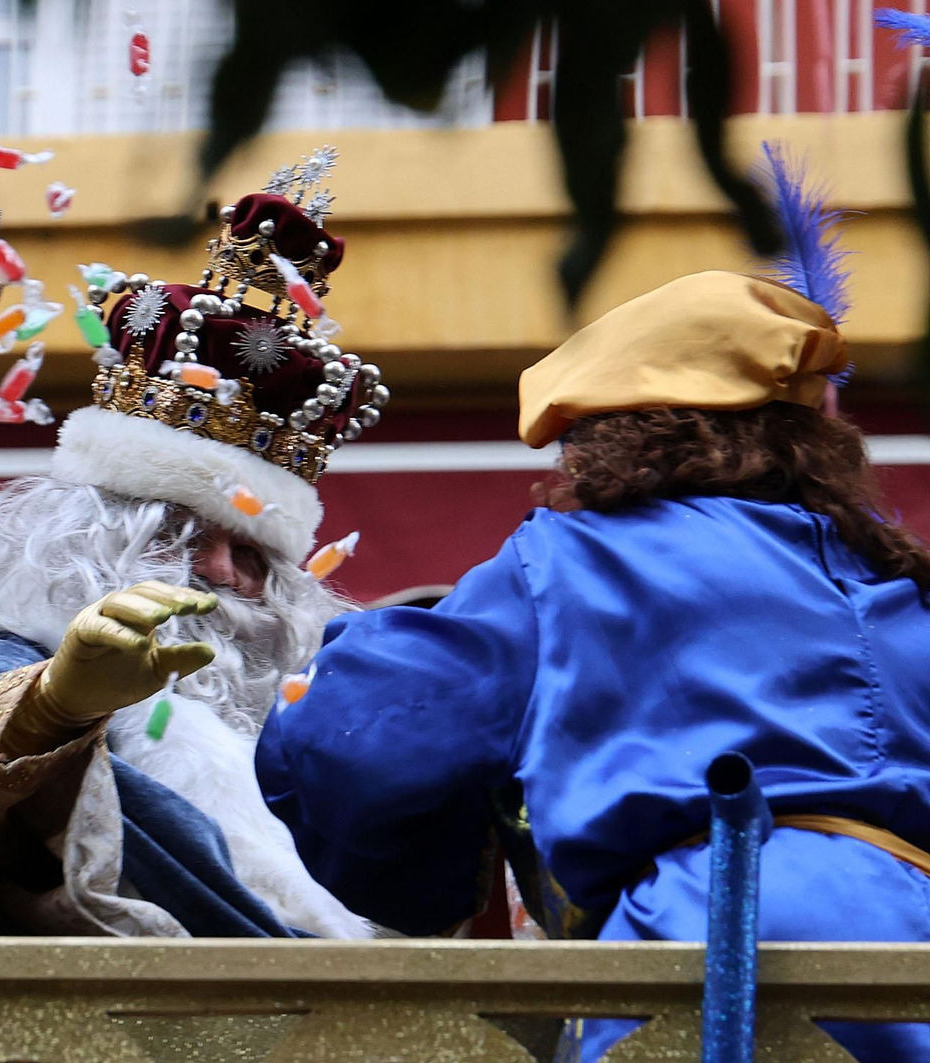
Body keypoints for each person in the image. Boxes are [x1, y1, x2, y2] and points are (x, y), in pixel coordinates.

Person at [255, 269, 930, 1060]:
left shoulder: (568, 561)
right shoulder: (901, 580)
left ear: (621, 439)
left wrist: (434, 874)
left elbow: (357, 742)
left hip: (700, 943)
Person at [0, 163, 388, 938]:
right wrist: (56, 704)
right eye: (182, 533)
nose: (224, 572)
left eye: (254, 557)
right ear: (80, 538)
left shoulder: (300, 736)